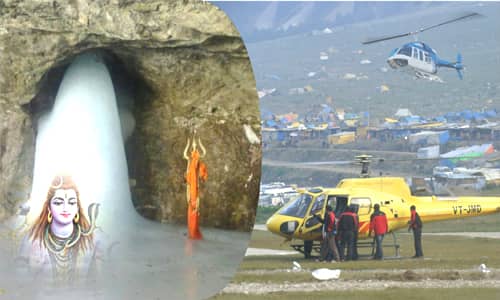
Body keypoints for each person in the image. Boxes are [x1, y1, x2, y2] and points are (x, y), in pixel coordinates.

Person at [26, 175, 100, 283]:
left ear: (77, 208)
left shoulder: (91, 241)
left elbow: (99, 285)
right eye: (58, 203)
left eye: (71, 202)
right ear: (49, 208)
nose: (65, 208)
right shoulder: (32, 240)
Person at [184, 135, 208, 240]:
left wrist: (199, 143)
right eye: (193, 147)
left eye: (195, 147)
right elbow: (187, 171)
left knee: (195, 209)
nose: (194, 148)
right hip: (191, 186)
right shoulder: (190, 159)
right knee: (190, 209)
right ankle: (191, 231)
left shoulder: (198, 160)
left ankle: (194, 230)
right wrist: (188, 144)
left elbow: (200, 175)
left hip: (195, 187)